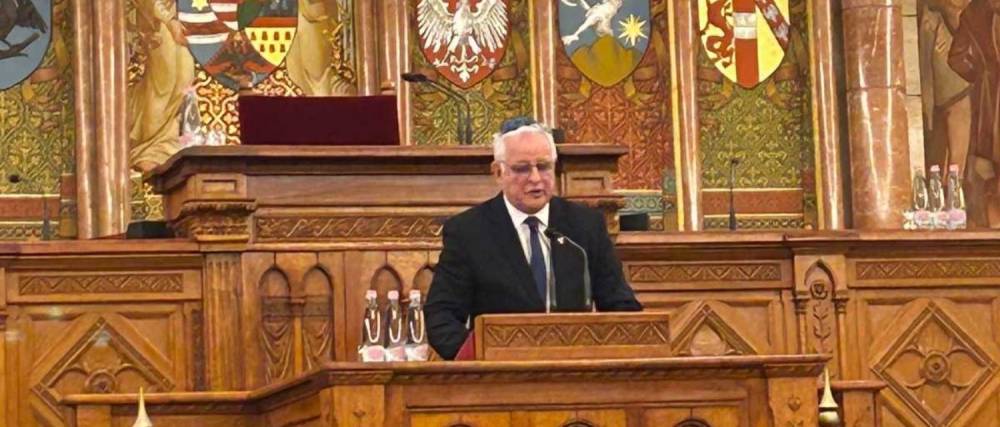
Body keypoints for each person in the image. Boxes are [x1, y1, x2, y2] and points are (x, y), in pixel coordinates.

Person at [425, 117, 642, 360]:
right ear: (498, 172)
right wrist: (481, 360)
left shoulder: (585, 225)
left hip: (575, 368)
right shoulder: (468, 231)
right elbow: (441, 316)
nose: (536, 178)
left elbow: (621, 305)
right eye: (522, 169)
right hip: (502, 373)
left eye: (544, 166)